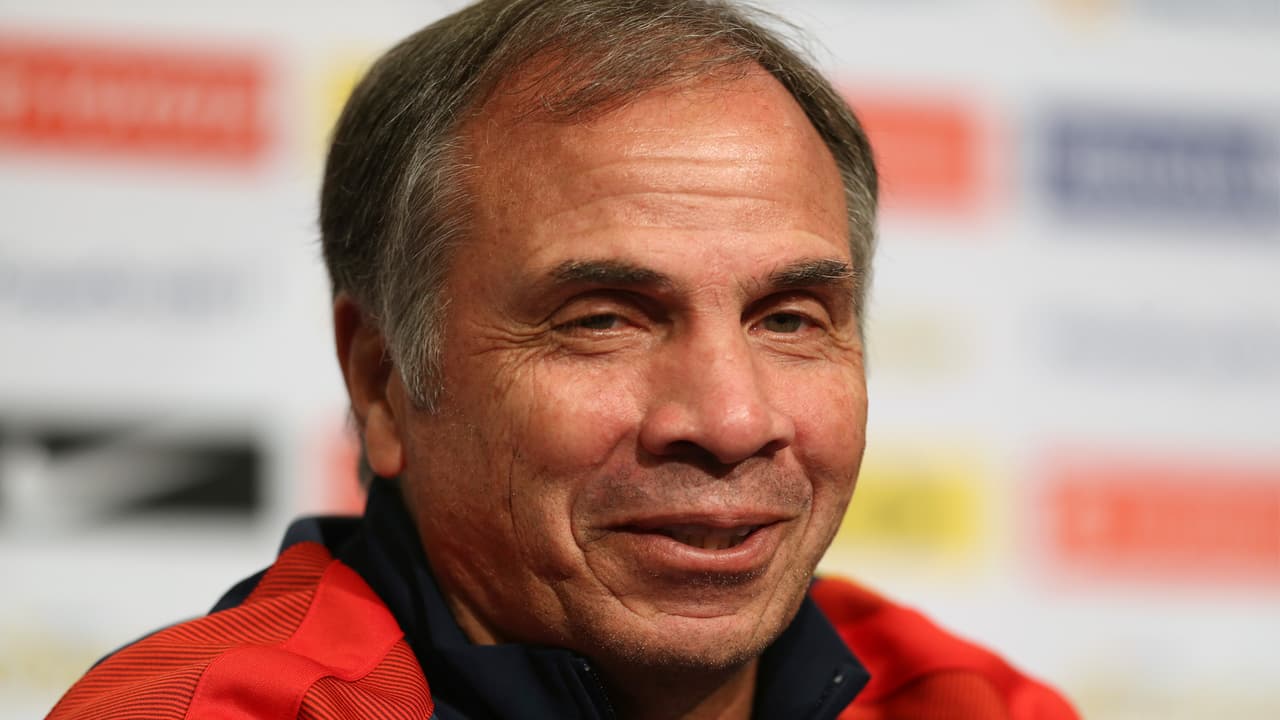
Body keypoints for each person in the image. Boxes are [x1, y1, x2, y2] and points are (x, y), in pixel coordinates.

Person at [49, 1, 1079, 718]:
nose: (731, 421)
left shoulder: (970, 704)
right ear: (381, 382)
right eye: (603, 320)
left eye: (788, 319)